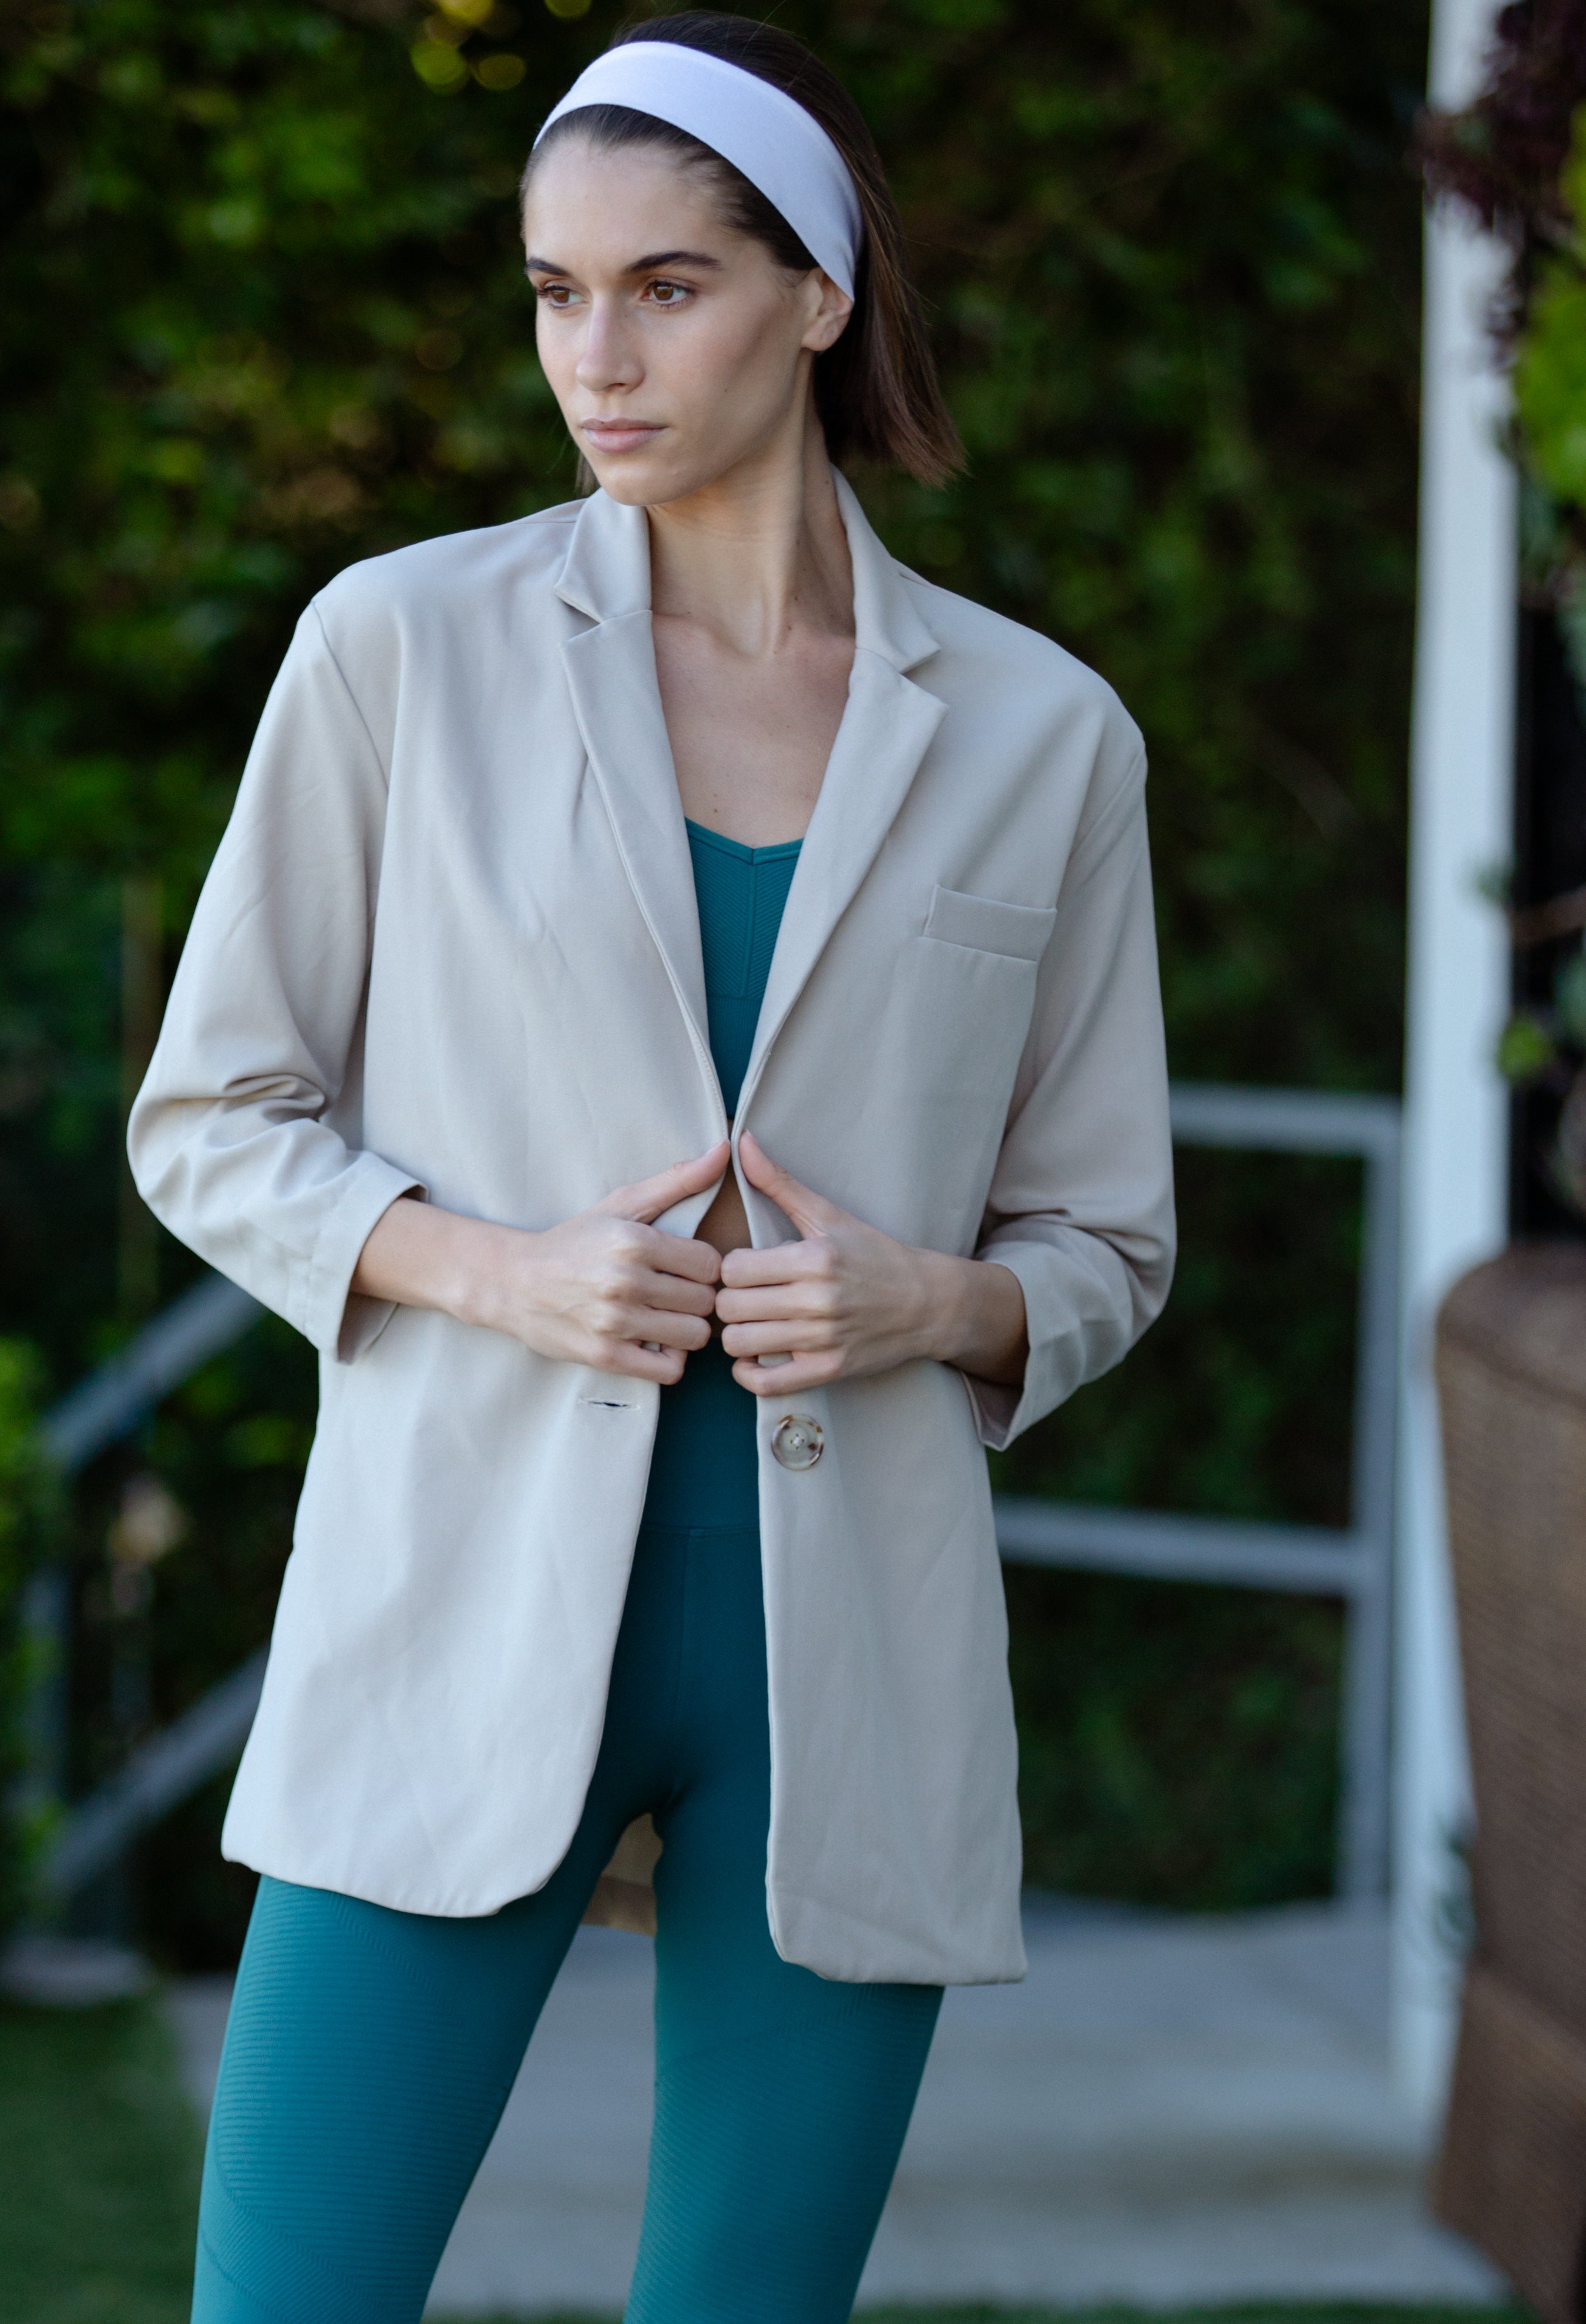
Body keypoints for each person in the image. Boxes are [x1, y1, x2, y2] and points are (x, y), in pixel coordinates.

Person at [129, 14, 1176, 2321]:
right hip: (457, 1611)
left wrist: (942, 1302)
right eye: (552, 289)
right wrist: (494, 1268)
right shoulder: (398, 649)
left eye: (667, 284)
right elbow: (213, 1116)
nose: (594, 353)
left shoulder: (1041, 735)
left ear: (817, 291)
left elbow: (1107, 1234)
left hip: (853, 1666)